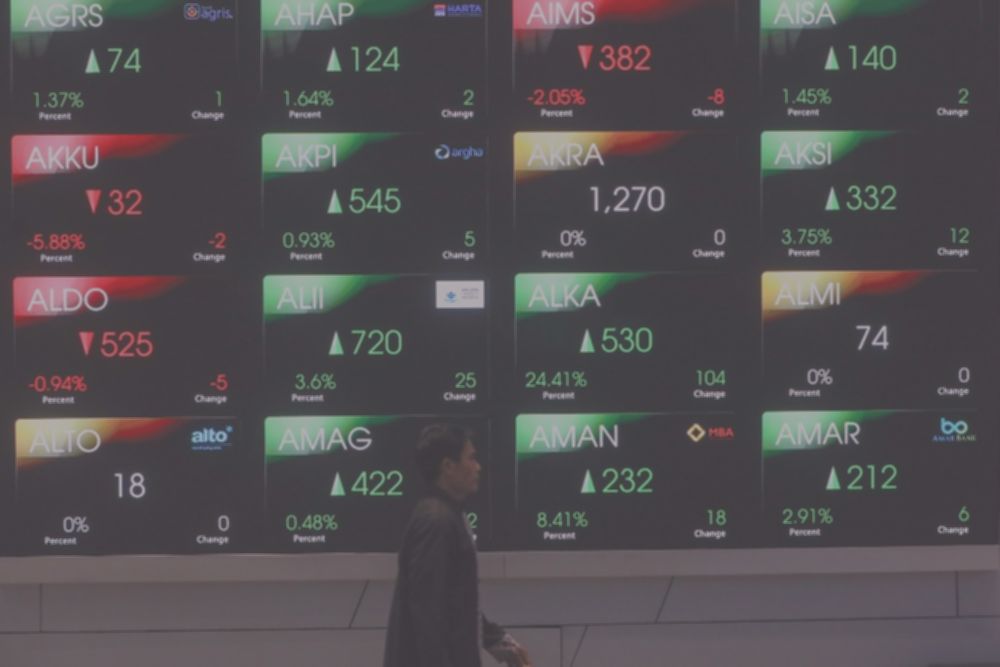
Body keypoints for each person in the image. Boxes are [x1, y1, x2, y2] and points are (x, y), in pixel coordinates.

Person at [384, 424, 532, 667]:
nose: (478, 467)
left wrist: (499, 642)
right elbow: (428, 614)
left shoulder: (447, 515)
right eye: (471, 458)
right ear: (448, 466)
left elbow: (456, 604)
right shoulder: (436, 522)